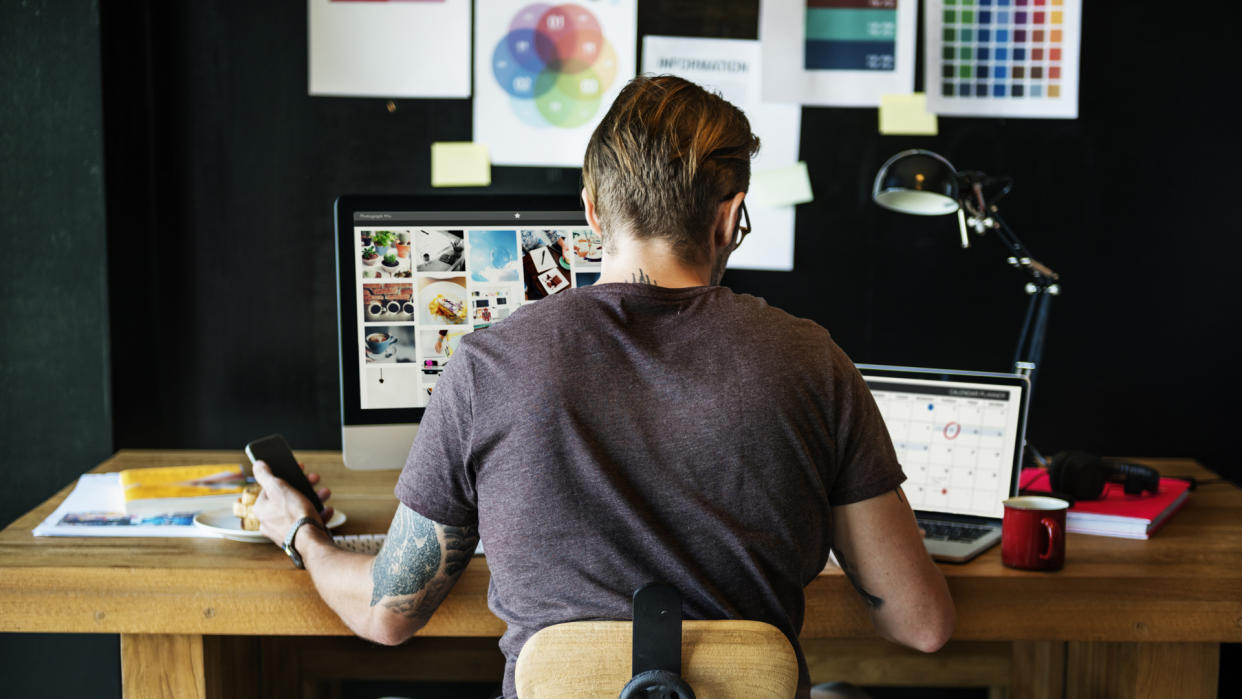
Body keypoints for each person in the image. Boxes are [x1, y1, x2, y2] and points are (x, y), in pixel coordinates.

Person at [253, 75, 954, 699]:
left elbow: (387, 612)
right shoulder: (812, 361)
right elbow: (921, 624)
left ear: (591, 211)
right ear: (728, 216)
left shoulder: (488, 364)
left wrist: (302, 532)